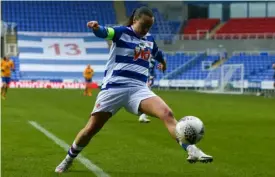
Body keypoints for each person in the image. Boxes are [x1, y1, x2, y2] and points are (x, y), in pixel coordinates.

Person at [55, 6, 213, 173]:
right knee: (91, 129)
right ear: (135, 20)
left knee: (166, 113)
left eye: (149, 27)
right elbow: (105, 32)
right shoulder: (121, 32)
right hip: (114, 88)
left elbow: (157, 53)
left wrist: (163, 62)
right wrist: (96, 28)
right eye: (144, 25)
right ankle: (68, 159)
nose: (146, 30)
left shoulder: (149, 39)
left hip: (138, 89)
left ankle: (192, 150)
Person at [138, 58, 156, 123]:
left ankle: (143, 115)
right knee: (146, 98)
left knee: (145, 98)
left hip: (148, 78)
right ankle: (142, 116)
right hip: (148, 79)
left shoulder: (146, 59)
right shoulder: (151, 60)